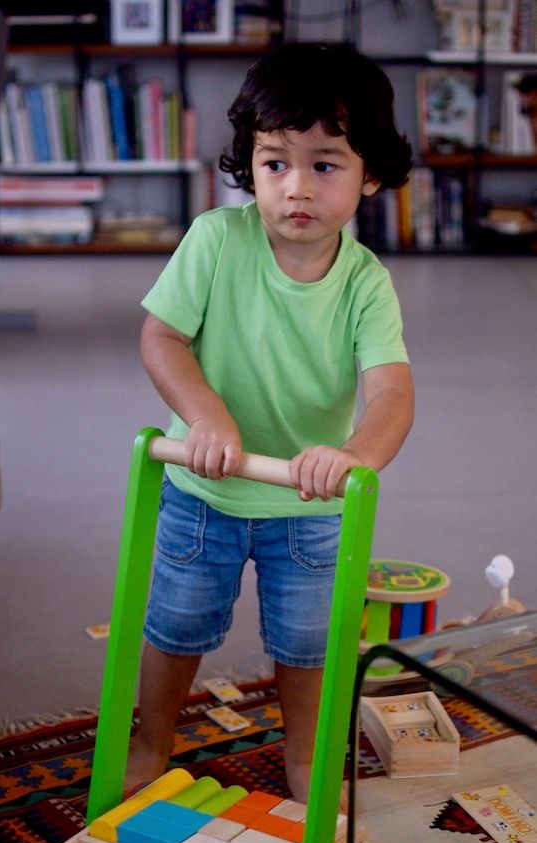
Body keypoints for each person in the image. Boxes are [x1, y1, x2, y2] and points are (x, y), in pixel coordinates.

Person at [126, 42, 415, 804]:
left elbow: (392, 392)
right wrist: (206, 417)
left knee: (310, 644)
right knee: (174, 624)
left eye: (325, 165)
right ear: (249, 165)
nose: (296, 187)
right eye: (275, 162)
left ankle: (305, 758)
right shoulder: (216, 240)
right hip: (206, 490)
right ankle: (150, 740)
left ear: (370, 175)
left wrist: (355, 457)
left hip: (308, 503)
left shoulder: (366, 283)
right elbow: (161, 337)